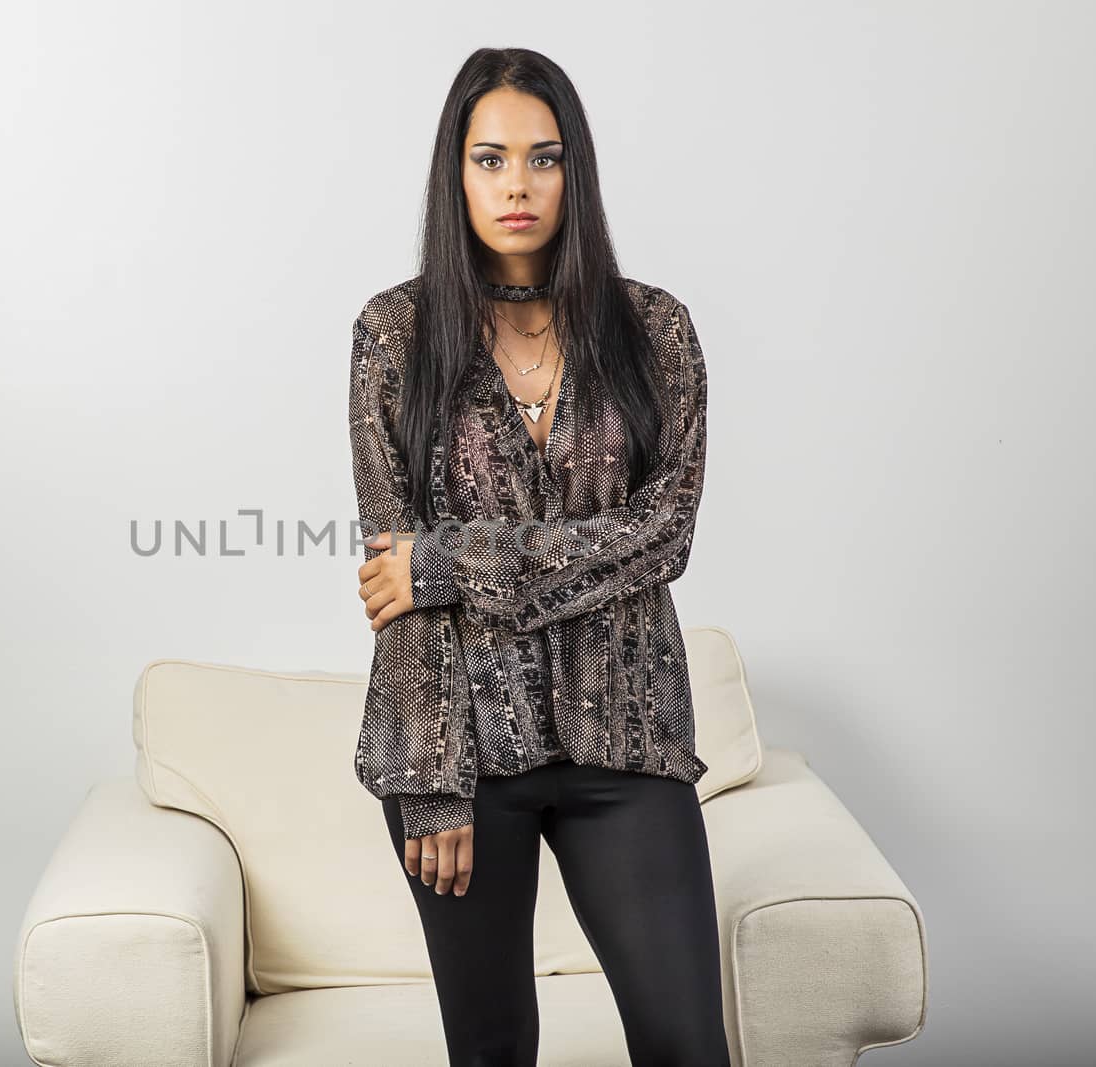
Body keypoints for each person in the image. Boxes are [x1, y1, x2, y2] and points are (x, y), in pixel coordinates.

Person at [348, 47, 731, 1067]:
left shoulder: (655, 330)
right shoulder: (395, 334)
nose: (516, 185)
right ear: (455, 173)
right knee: (492, 1048)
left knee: (686, 1042)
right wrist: (430, 782)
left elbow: (665, 533)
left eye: (542, 158)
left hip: (629, 738)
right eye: (489, 159)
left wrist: (448, 560)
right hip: (463, 756)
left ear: (575, 172)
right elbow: (395, 580)